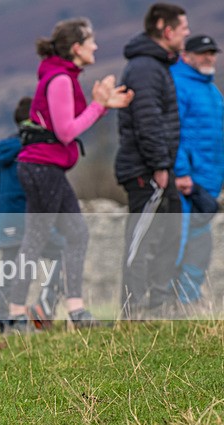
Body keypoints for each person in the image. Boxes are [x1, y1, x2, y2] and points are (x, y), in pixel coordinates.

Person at [6, 17, 134, 332]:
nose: (96, 46)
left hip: (43, 168)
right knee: (37, 240)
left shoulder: (60, 75)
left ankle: (70, 311)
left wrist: (102, 107)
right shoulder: (60, 79)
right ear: (76, 47)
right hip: (43, 168)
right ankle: (18, 314)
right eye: (91, 41)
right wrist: (98, 106)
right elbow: (66, 132)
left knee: (75, 234)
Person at [116, 3, 189, 319]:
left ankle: (158, 307)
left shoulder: (156, 65)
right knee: (143, 240)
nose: (186, 34)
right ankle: (133, 312)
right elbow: (147, 120)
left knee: (168, 237)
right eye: (183, 28)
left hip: (160, 168)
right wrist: (159, 165)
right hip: (147, 170)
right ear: (166, 28)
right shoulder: (145, 68)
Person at [0, 96, 64, 334]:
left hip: (7, 220)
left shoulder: (3, 152)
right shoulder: (36, 149)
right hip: (31, 219)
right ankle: (43, 308)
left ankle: (6, 318)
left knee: (11, 268)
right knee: (63, 252)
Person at [170, 34, 223, 307]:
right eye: (203, 52)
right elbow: (173, 131)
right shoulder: (179, 84)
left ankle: (187, 300)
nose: (209, 57)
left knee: (199, 247)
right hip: (187, 182)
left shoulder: (211, 91)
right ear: (186, 55)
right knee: (178, 246)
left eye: (212, 52)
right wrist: (180, 172)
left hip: (207, 184)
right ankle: (170, 301)